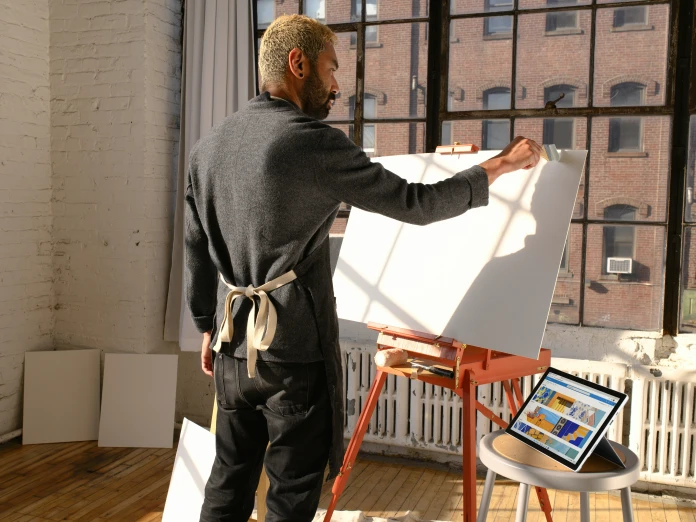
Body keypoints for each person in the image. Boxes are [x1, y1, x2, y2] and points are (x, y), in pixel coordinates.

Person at [185, 14, 542, 522]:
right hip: (292, 355)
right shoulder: (309, 142)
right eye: (331, 71)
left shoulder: (209, 147)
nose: (336, 87)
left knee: (228, 481)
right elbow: (416, 203)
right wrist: (496, 166)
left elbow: (195, 245)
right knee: (291, 494)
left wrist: (205, 323)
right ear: (297, 63)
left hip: (230, 345)